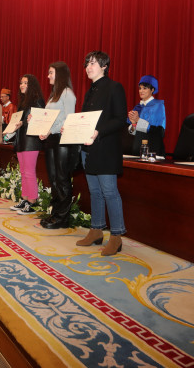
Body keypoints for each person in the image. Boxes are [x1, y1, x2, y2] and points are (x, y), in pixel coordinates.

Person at [77, 51, 128, 255]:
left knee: (109, 192)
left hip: (106, 148)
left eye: (93, 63)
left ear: (104, 66)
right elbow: (85, 120)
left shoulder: (114, 87)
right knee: (95, 192)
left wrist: (98, 131)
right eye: (87, 63)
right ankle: (96, 230)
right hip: (88, 148)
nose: (88, 67)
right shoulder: (91, 90)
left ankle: (116, 236)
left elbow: (120, 118)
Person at [39, 62, 76, 229]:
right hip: (51, 140)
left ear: (59, 74)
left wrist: (54, 129)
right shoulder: (54, 94)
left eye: (51, 72)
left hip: (63, 140)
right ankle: (55, 213)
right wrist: (43, 129)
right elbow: (50, 118)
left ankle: (63, 217)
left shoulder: (67, 94)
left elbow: (69, 119)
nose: (48, 76)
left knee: (62, 178)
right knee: (53, 178)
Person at [8, 75, 45, 213]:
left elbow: (43, 119)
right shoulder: (23, 102)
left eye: (25, 83)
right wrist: (20, 123)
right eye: (21, 82)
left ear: (32, 85)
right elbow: (23, 121)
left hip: (31, 141)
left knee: (29, 172)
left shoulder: (38, 100)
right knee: (23, 172)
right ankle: (25, 199)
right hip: (21, 139)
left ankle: (33, 202)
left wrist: (32, 120)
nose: (22, 85)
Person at [127, 75, 166, 156]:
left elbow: (158, 131)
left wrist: (138, 120)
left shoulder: (158, 105)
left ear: (152, 90)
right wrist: (134, 123)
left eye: (145, 88)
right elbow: (133, 133)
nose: (141, 91)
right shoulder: (138, 107)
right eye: (140, 88)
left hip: (152, 148)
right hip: (137, 148)